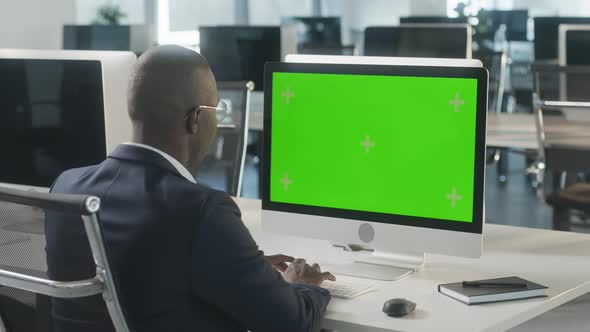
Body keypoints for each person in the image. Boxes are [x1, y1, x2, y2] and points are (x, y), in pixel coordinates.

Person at [44, 45, 335, 332]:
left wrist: (241, 263)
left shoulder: (66, 187)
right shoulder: (202, 210)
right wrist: (303, 286)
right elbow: (291, 323)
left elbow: (143, 269)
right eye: (216, 110)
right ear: (195, 119)